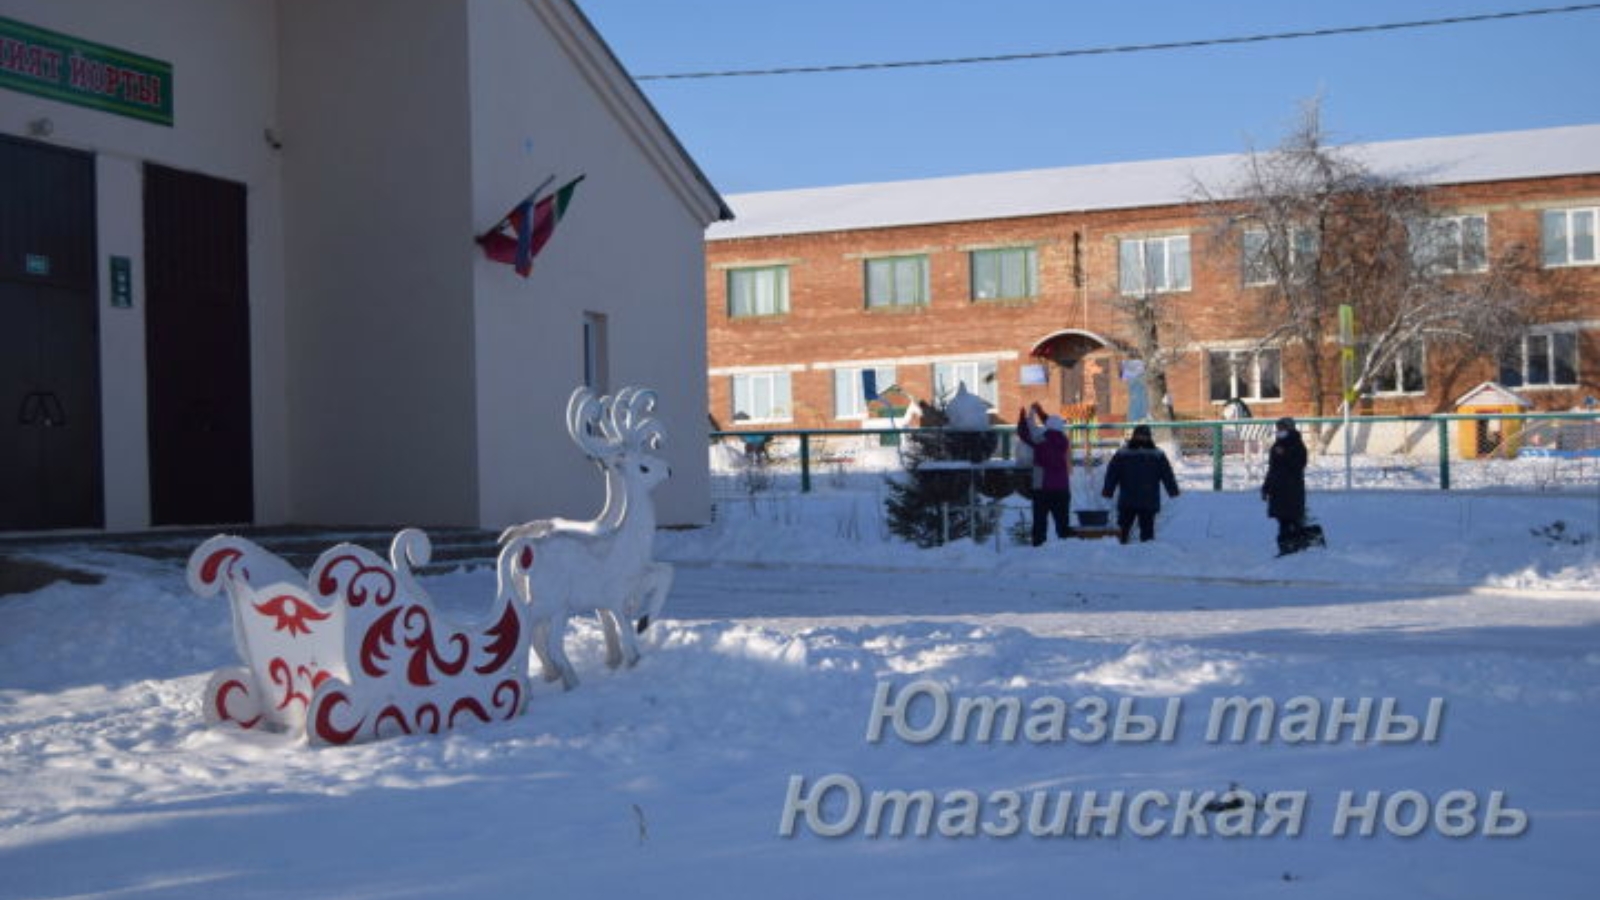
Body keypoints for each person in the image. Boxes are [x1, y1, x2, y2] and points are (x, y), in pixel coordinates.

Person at [1100, 424, 1180, 543]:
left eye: (1144, 436)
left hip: (1137, 499)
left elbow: (1167, 474)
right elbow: (1112, 473)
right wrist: (1108, 490)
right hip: (1138, 499)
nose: (1142, 438)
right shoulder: (1155, 454)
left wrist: (1173, 491)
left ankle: (1134, 551)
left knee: (1138, 532)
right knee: (1126, 531)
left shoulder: (1126, 454)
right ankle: (1127, 550)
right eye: (1140, 436)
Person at [1016, 403, 1072, 546]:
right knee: (1063, 522)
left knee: (1040, 522)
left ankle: (1038, 547)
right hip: (1062, 488)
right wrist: (1041, 413)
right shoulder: (1064, 441)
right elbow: (1052, 425)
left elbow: (1024, 434)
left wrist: (1022, 418)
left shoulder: (1040, 439)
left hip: (1042, 487)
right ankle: (1068, 547)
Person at [1261, 416, 1311, 555]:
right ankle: (1286, 548)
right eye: (1278, 428)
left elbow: (1299, 465)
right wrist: (1266, 487)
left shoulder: (1297, 445)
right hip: (1278, 490)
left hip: (1292, 489)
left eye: (1282, 428)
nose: (1279, 431)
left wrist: (1285, 454)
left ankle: (1297, 546)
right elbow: (1272, 468)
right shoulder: (1276, 446)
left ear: (1290, 429)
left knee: (1292, 519)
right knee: (1283, 520)